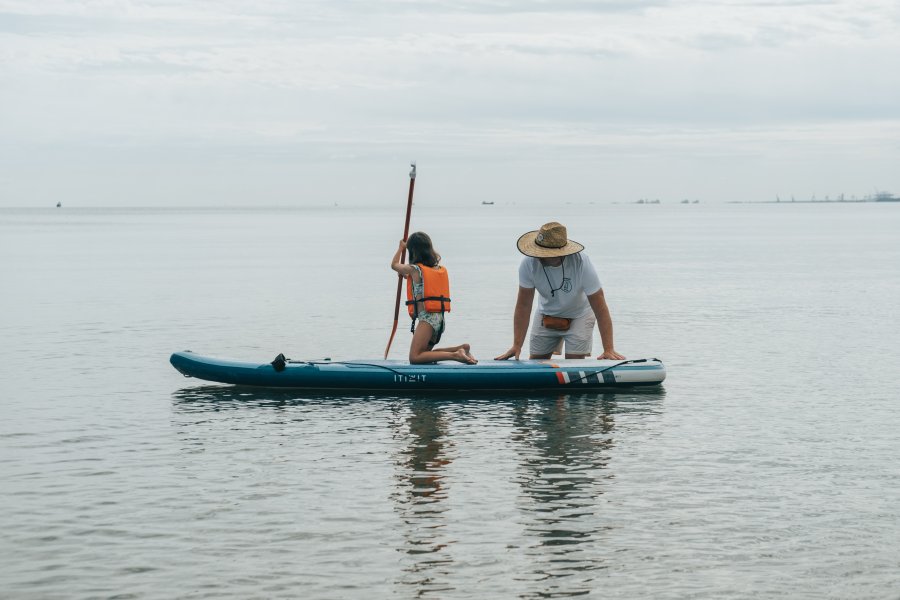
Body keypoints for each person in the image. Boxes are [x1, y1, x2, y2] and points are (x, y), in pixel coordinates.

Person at [495, 221, 625, 361]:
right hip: (546, 313)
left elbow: (600, 308)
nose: (539, 256)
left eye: (545, 253)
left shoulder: (581, 263)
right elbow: (523, 305)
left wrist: (608, 349)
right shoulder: (528, 263)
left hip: (580, 314)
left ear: (560, 252)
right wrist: (516, 345)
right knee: (536, 361)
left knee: (574, 362)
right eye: (539, 250)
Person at [391, 232, 477, 365]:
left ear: (413, 251)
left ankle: (455, 355)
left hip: (427, 319)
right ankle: (461, 349)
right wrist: (406, 275)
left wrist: (401, 248)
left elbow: (394, 264)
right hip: (439, 319)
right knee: (425, 355)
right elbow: (422, 283)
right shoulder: (437, 268)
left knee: (415, 357)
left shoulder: (414, 269)